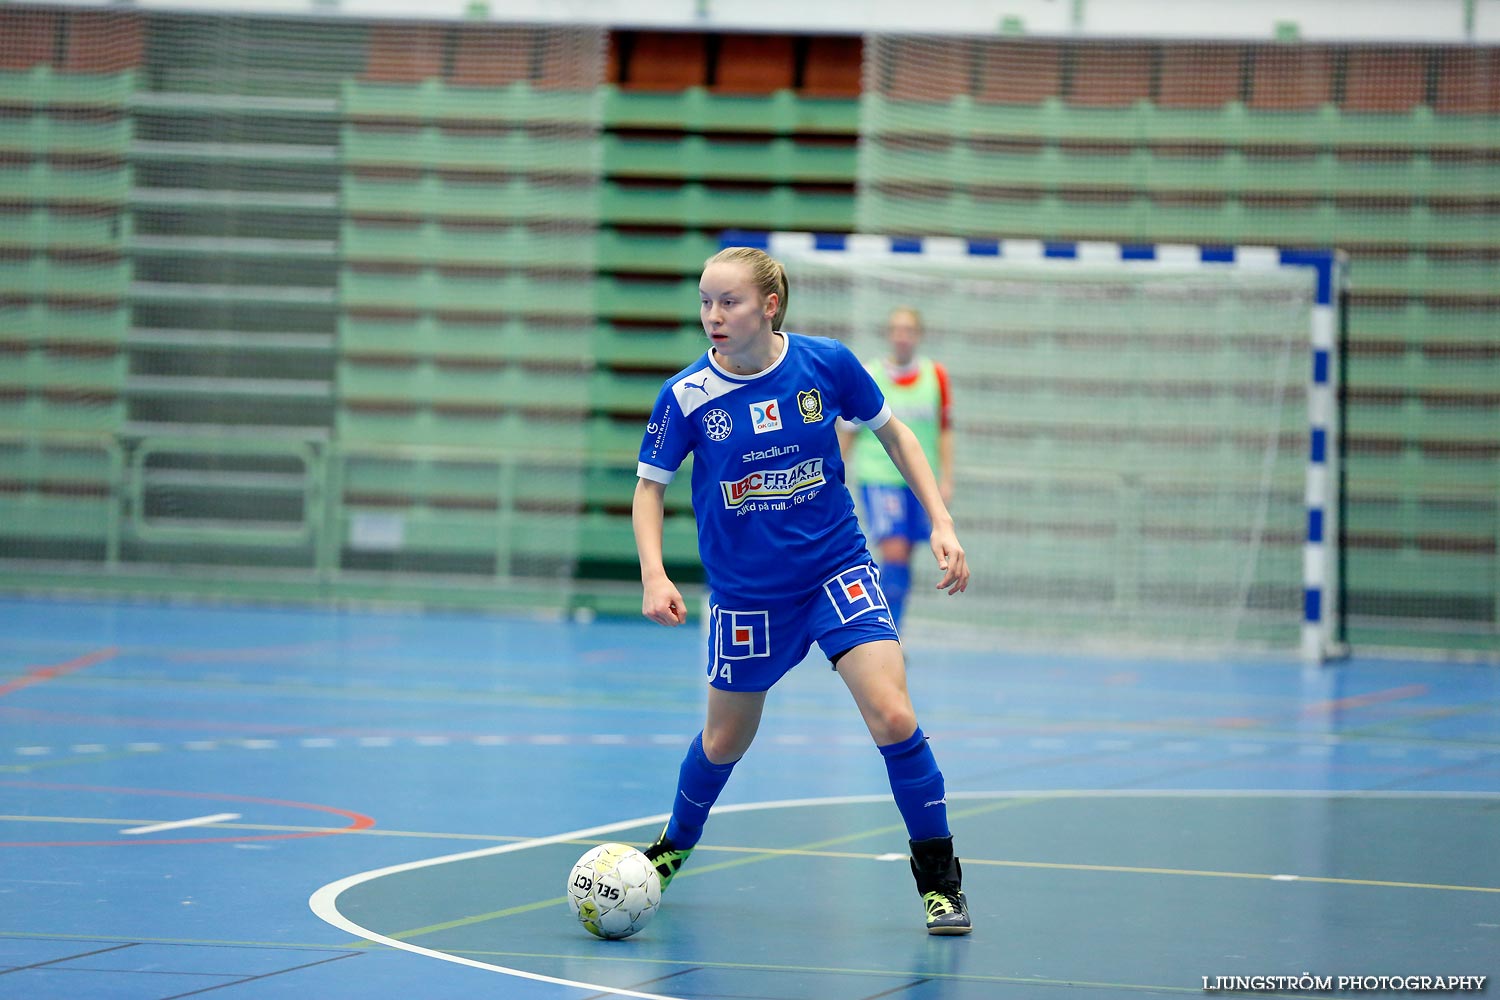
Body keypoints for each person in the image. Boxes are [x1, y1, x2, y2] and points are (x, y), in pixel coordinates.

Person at [631, 246, 973, 935]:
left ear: (769, 306)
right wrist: (655, 574)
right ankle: (673, 845)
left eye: (728, 302)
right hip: (747, 595)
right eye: (704, 301)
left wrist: (940, 519)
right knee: (724, 741)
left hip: (835, 570)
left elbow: (897, 435)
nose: (712, 316)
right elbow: (648, 489)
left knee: (894, 716)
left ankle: (940, 882)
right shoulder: (688, 396)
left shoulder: (826, 364)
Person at [839, 306, 953, 630]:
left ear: (918, 336)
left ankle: (892, 628)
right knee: (895, 552)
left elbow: (945, 430)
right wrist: (834, 472)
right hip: (880, 477)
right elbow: (848, 430)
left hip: (918, 479)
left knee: (907, 557)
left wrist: (946, 477)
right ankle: (881, 631)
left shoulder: (936, 377)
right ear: (889, 334)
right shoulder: (869, 374)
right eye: (896, 329)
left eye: (909, 330)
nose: (902, 336)